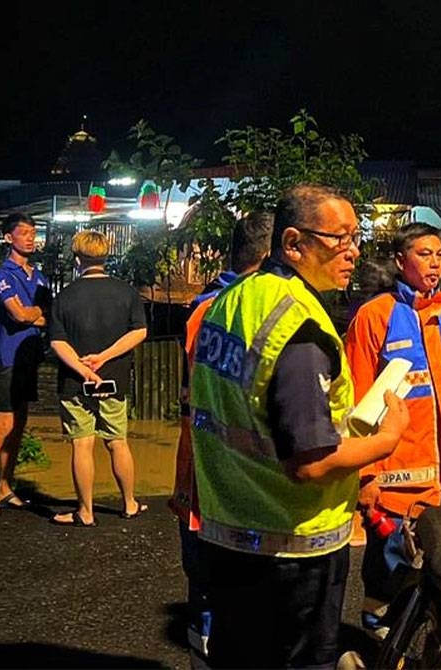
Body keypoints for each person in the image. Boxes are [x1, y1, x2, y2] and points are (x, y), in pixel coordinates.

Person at [190, 184, 409, 669]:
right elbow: (310, 462)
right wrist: (386, 440)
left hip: (227, 536)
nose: (354, 251)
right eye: (340, 238)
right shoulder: (301, 329)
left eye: (357, 237)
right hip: (292, 554)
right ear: (293, 243)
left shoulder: (233, 301)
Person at [344, 222, 441, 630]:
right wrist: (366, 476)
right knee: (389, 581)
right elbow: (355, 403)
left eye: (440, 254)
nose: (435, 262)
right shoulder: (374, 317)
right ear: (399, 261)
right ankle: (379, 645)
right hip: (397, 488)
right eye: (424, 254)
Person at [167, 212, 273, 664]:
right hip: (225, 473)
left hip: (213, 467)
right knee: (219, 584)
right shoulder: (231, 307)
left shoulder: (211, 305)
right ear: (271, 255)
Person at [48, 231, 149, 526]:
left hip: (75, 381)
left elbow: (57, 342)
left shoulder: (64, 296)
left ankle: (86, 511)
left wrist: (84, 370)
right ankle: (130, 503)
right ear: (106, 257)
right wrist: (104, 358)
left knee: (82, 444)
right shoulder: (127, 292)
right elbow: (139, 332)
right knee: (118, 441)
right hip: (114, 380)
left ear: (77, 259)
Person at [0, 213, 52, 517]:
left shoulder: (39, 276)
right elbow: (18, 315)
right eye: (24, 233)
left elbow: (47, 317)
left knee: (19, 425)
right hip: (6, 356)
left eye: (33, 232)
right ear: (9, 238)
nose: (30, 238)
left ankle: (4, 486)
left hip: (29, 357)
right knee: (2, 424)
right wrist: (35, 313)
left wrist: (35, 313)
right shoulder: (2, 274)